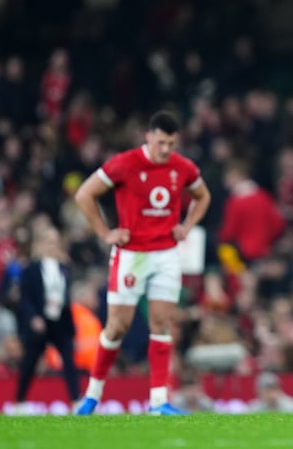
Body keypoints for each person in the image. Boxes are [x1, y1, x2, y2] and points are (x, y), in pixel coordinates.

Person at [74, 110, 211, 415]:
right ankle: (92, 395)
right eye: (161, 142)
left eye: (171, 144)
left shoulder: (182, 167)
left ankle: (159, 401)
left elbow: (203, 196)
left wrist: (187, 227)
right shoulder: (125, 163)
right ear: (148, 137)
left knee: (162, 323)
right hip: (132, 255)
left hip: (165, 254)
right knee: (117, 327)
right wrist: (104, 232)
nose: (166, 150)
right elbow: (85, 194)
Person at [15, 226, 79, 408]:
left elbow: (66, 298)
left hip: (59, 320)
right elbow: (25, 297)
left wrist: (71, 325)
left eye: (56, 241)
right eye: (49, 241)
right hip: (40, 320)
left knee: (68, 360)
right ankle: (19, 401)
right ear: (41, 244)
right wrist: (33, 317)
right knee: (30, 362)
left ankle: (75, 400)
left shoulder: (64, 268)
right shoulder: (31, 269)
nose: (53, 245)